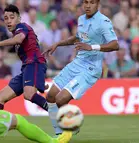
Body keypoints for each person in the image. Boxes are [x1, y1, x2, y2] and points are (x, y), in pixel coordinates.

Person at [43, 0, 119, 138]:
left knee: (61, 99)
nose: (88, 6)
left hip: (91, 68)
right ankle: (60, 131)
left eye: (91, 3)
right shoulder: (81, 19)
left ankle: (70, 127)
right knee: (51, 96)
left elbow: (115, 45)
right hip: (77, 63)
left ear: (98, 4)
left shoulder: (103, 21)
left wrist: (93, 47)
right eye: (85, 2)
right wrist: (58, 43)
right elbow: (79, 38)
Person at [0, 4, 49, 112]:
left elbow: (19, 39)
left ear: (19, 18)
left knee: (28, 94)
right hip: (27, 69)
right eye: (6, 18)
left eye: (12, 17)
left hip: (34, 63)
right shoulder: (17, 33)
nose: (9, 21)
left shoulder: (22, 27)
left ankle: (57, 112)